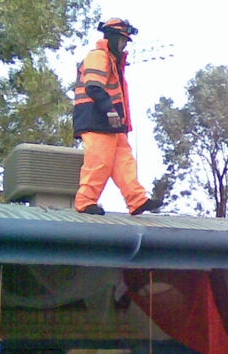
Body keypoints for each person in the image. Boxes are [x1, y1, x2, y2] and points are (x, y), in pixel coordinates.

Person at [73, 18, 161, 216]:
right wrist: (110, 111)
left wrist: (118, 118)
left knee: (124, 161)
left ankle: (137, 200)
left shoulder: (112, 60)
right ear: (112, 37)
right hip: (96, 119)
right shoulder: (98, 56)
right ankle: (85, 201)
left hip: (111, 122)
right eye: (123, 40)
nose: (124, 44)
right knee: (99, 161)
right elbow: (94, 86)